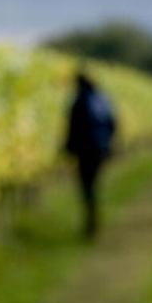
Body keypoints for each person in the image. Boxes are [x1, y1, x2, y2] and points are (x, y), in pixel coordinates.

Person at [65, 71, 117, 240]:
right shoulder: (102, 100)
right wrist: (109, 144)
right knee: (93, 184)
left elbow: (72, 128)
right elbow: (113, 123)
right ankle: (93, 220)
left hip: (85, 151)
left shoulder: (79, 101)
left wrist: (68, 149)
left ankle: (91, 223)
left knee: (86, 186)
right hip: (100, 149)